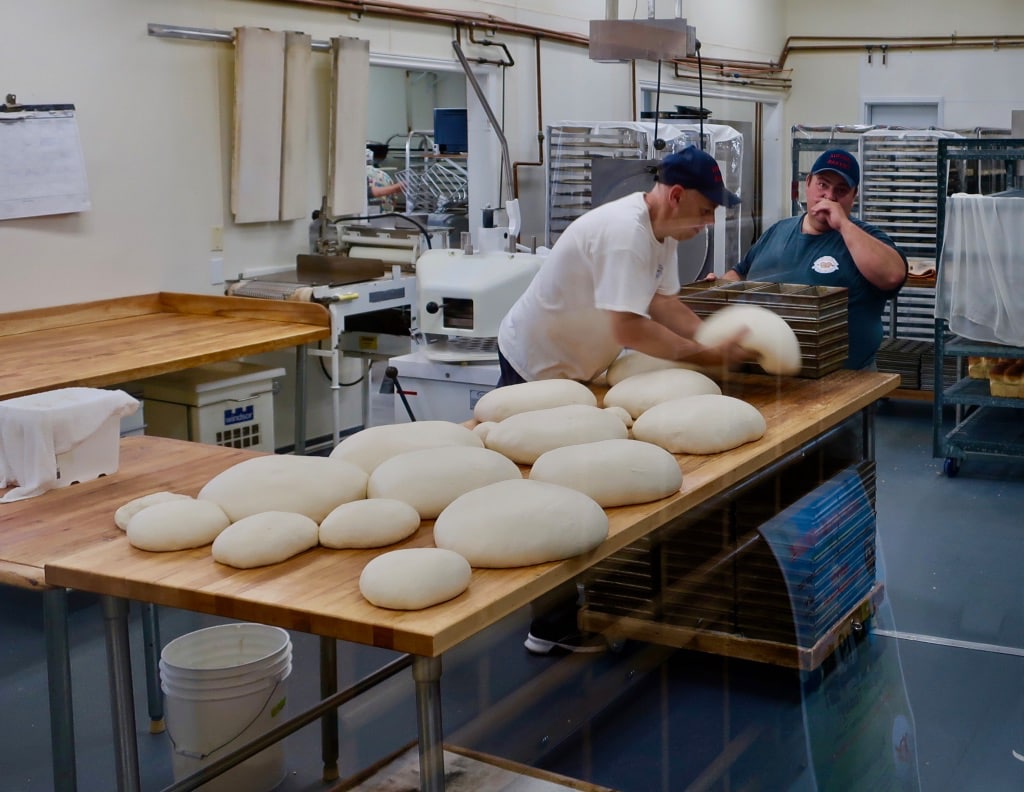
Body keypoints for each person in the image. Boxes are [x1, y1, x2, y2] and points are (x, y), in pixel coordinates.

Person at [495, 146, 754, 654]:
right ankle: (547, 626)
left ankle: (565, 608)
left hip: (578, 368)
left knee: (578, 477)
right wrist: (702, 356)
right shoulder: (625, 234)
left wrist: (710, 339)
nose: (708, 222)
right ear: (676, 196)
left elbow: (662, 301)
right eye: (706, 210)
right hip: (536, 366)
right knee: (547, 488)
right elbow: (629, 327)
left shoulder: (663, 230)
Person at [711, 148, 907, 370]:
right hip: (766, 373)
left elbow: (893, 275)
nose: (829, 197)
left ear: (854, 196)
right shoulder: (778, 231)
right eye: (823, 185)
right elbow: (739, 272)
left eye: (841, 190)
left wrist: (843, 224)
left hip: (841, 379)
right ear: (808, 184)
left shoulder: (865, 237)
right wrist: (718, 287)